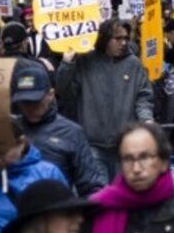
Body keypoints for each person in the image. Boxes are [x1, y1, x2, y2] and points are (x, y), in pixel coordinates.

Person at [55, 19, 154, 176]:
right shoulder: (85, 61)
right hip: (93, 145)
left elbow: (143, 96)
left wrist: (146, 119)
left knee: (123, 196)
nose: (123, 43)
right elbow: (64, 91)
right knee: (100, 195)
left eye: (126, 38)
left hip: (125, 145)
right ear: (105, 38)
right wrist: (67, 63)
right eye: (118, 38)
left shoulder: (134, 64)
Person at [11, 59, 106, 197]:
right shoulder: (11, 129)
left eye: (35, 102)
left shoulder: (72, 133)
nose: (29, 108)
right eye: (24, 102)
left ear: (50, 95)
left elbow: (91, 186)